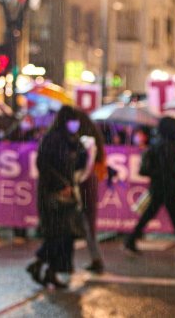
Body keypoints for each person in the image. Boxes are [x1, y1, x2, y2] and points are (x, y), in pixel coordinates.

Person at [26, 106, 87, 288]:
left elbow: (78, 163)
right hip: (52, 194)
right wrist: (61, 185)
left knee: (64, 235)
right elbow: (43, 164)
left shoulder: (71, 141)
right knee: (58, 234)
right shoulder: (52, 139)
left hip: (67, 193)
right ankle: (40, 265)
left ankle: (47, 269)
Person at [124, 116, 175, 256]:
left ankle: (131, 240)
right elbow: (169, 169)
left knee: (152, 215)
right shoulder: (167, 145)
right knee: (174, 218)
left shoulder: (159, 143)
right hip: (165, 188)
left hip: (159, 187)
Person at [75, 109, 107, 274]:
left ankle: (96, 259)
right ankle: (96, 258)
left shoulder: (86, 143)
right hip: (90, 182)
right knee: (88, 223)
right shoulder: (94, 142)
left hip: (84, 183)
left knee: (85, 222)